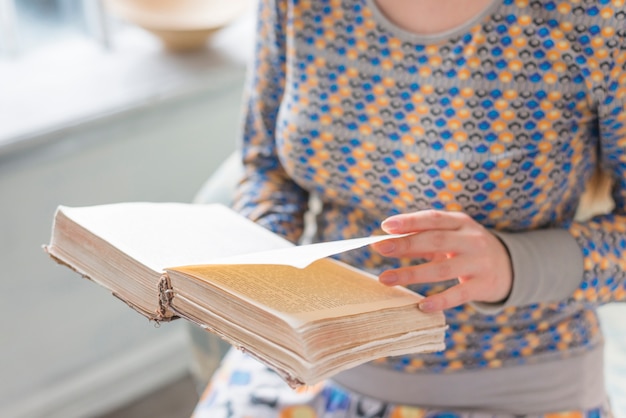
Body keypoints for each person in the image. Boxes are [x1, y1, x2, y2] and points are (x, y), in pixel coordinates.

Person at [192, 0, 625, 416]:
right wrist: (261, 258)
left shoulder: (598, 18)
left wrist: (515, 265)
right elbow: (266, 164)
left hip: (511, 386)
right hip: (306, 361)